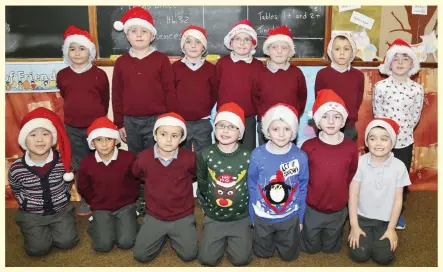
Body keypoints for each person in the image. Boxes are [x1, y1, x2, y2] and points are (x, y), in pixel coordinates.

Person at [112, 6, 176, 215]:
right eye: (133, 31)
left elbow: (169, 91)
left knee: (156, 159)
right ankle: (140, 198)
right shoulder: (121, 63)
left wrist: (170, 120)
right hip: (130, 121)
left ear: (152, 35)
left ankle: (157, 197)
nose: (139, 34)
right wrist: (119, 122)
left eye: (144, 31)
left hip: (157, 120)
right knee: (137, 160)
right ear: (127, 35)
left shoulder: (161, 60)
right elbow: (117, 94)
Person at [8, 107, 79, 256]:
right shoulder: (17, 168)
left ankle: (61, 226)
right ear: (24, 140)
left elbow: (68, 178)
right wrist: (25, 202)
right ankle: (32, 229)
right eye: (33, 135)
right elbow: (16, 187)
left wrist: (63, 194)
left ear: (52, 139)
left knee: (68, 242)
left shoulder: (63, 161)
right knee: (37, 249)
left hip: (60, 211)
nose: (40, 139)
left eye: (45, 134)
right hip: (32, 214)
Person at [56, 25, 110, 216]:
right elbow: (65, 96)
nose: (77, 53)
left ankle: (105, 197)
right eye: (72, 48)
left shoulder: (100, 75)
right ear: (66, 51)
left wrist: (99, 123)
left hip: (96, 128)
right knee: (80, 165)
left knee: (101, 161)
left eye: (82, 48)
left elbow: (104, 100)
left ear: (90, 51)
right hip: (73, 128)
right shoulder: (62, 75)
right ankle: (86, 200)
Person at [132, 113, 197, 263]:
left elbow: (195, 174)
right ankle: (160, 234)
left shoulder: (190, 159)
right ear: (155, 135)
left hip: (182, 215)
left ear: (182, 138)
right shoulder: (143, 158)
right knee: (140, 256)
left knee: (189, 255)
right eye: (163, 134)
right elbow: (137, 174)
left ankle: (180, 232)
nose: (168, 140)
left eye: (175, 135)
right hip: (155, 215)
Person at [374, 38, 424, 230]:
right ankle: (378, 210)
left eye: (405, 58)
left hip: (404, 142)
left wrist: (401, 135)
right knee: (381, 176)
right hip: (382, 142)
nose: (401, 62)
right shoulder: (381, 87)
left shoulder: (416, 89)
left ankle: (397, 212)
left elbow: (415, 116)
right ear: (389, 63)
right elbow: (378, 113)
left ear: (412, 63)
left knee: (399, 180)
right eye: (396, 59)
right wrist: (384, 138)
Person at [300, 89, 358, 254]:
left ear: (343, 122)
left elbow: (351, 174)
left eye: (336, 116)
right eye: (325, 116)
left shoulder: (350, 148)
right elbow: (303, 178)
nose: (331, 121)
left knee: (331, 249)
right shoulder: (308, 147)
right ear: (317, 122)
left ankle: (333, 236)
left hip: (338, 209)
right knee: (310, 248)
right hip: (313, 208)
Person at [248, 103, 309, 261]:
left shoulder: (300, 156)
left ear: (293, 131)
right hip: (262, 217)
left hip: (289, 217)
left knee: (290, 256)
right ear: (267, 131)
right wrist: (253, 214)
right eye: (275, 129)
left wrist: (300, 218)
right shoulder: (257, 154)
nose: (281, 134)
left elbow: (302, 188)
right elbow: (252, 185)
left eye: (287, 129)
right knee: (262, 254)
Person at [348, 118, 411, 265]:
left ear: (392, 142)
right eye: (372, 138)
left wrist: (391, 228)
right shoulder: (360, 163)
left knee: (383, 258)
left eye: (384, 139)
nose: (378, 143)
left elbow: (398, 200)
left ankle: (382, 237)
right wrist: (354, 226)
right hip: (362, 218)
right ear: (366, 142)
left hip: (385, 220)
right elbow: (353, 195)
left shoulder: (399, 167)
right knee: (360, 254)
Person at [197, 102, 252, 266]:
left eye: (232, 127)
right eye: (221, 125)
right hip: (215, 217)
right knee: (206, 259)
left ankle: (240, 236)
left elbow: (252, 183)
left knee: (241, 260)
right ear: (215, 128)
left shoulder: (248, 156)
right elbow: (202, 181)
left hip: (240, 217)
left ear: (240, 133)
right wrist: (207, 206)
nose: (225, 130)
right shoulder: (206, 154)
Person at [77, 117, 139, 252]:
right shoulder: (86, 163)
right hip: (101, 207)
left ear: (116, 141)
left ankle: (130, 221)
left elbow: (135, 181)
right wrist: (95, 202)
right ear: (92, 143)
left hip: (125, 206)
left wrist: (130, 199)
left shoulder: (128, 158)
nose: (104, 144)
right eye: (98, 140)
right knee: (103, 246)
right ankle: (97, 224)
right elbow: (83, 186)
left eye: (108, 139)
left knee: (126, 242)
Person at [254, 26, 307, 145]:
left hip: (289, 126)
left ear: (290, 51)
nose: (279, 51)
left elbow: (302, 98)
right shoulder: (259, 73)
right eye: (274, 47)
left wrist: (293, 117)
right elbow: (255, 98)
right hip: (265, 125)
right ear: (268, 50)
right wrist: (263, 117)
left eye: (284, 48)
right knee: (266, 158)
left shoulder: (296, 73)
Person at [216, 19, 263, 150]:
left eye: (247, 39)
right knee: (225, 150)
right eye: (238, 39)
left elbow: (261, 92)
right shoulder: (222, 63)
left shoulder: (258, 66)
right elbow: (215, 87)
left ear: (253, 43)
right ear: (231, 42)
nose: (242, 43)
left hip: (248, 118)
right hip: (225, 117)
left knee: (247, 152)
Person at [173, 25, 217, 153]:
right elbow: (170, 92)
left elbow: (214, 93)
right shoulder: (175, 68)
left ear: (203, 47)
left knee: (204, 155)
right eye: (188, 41)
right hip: (181, 121)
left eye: (198, 42)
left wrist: (205, 109)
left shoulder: (210, 69)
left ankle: (202, 174)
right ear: (183, 46)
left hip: (203, 122)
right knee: (182, 155)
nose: (193, 46)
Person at [314, 33, 364, 141]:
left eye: (346, 49)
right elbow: (318, 98)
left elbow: (358, 100)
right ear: (330, 51)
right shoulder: (322, 74)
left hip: (349, 127)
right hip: (327, 125)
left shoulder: (358, 76)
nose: (342, 53)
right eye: (337, 49)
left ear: (352, 52)